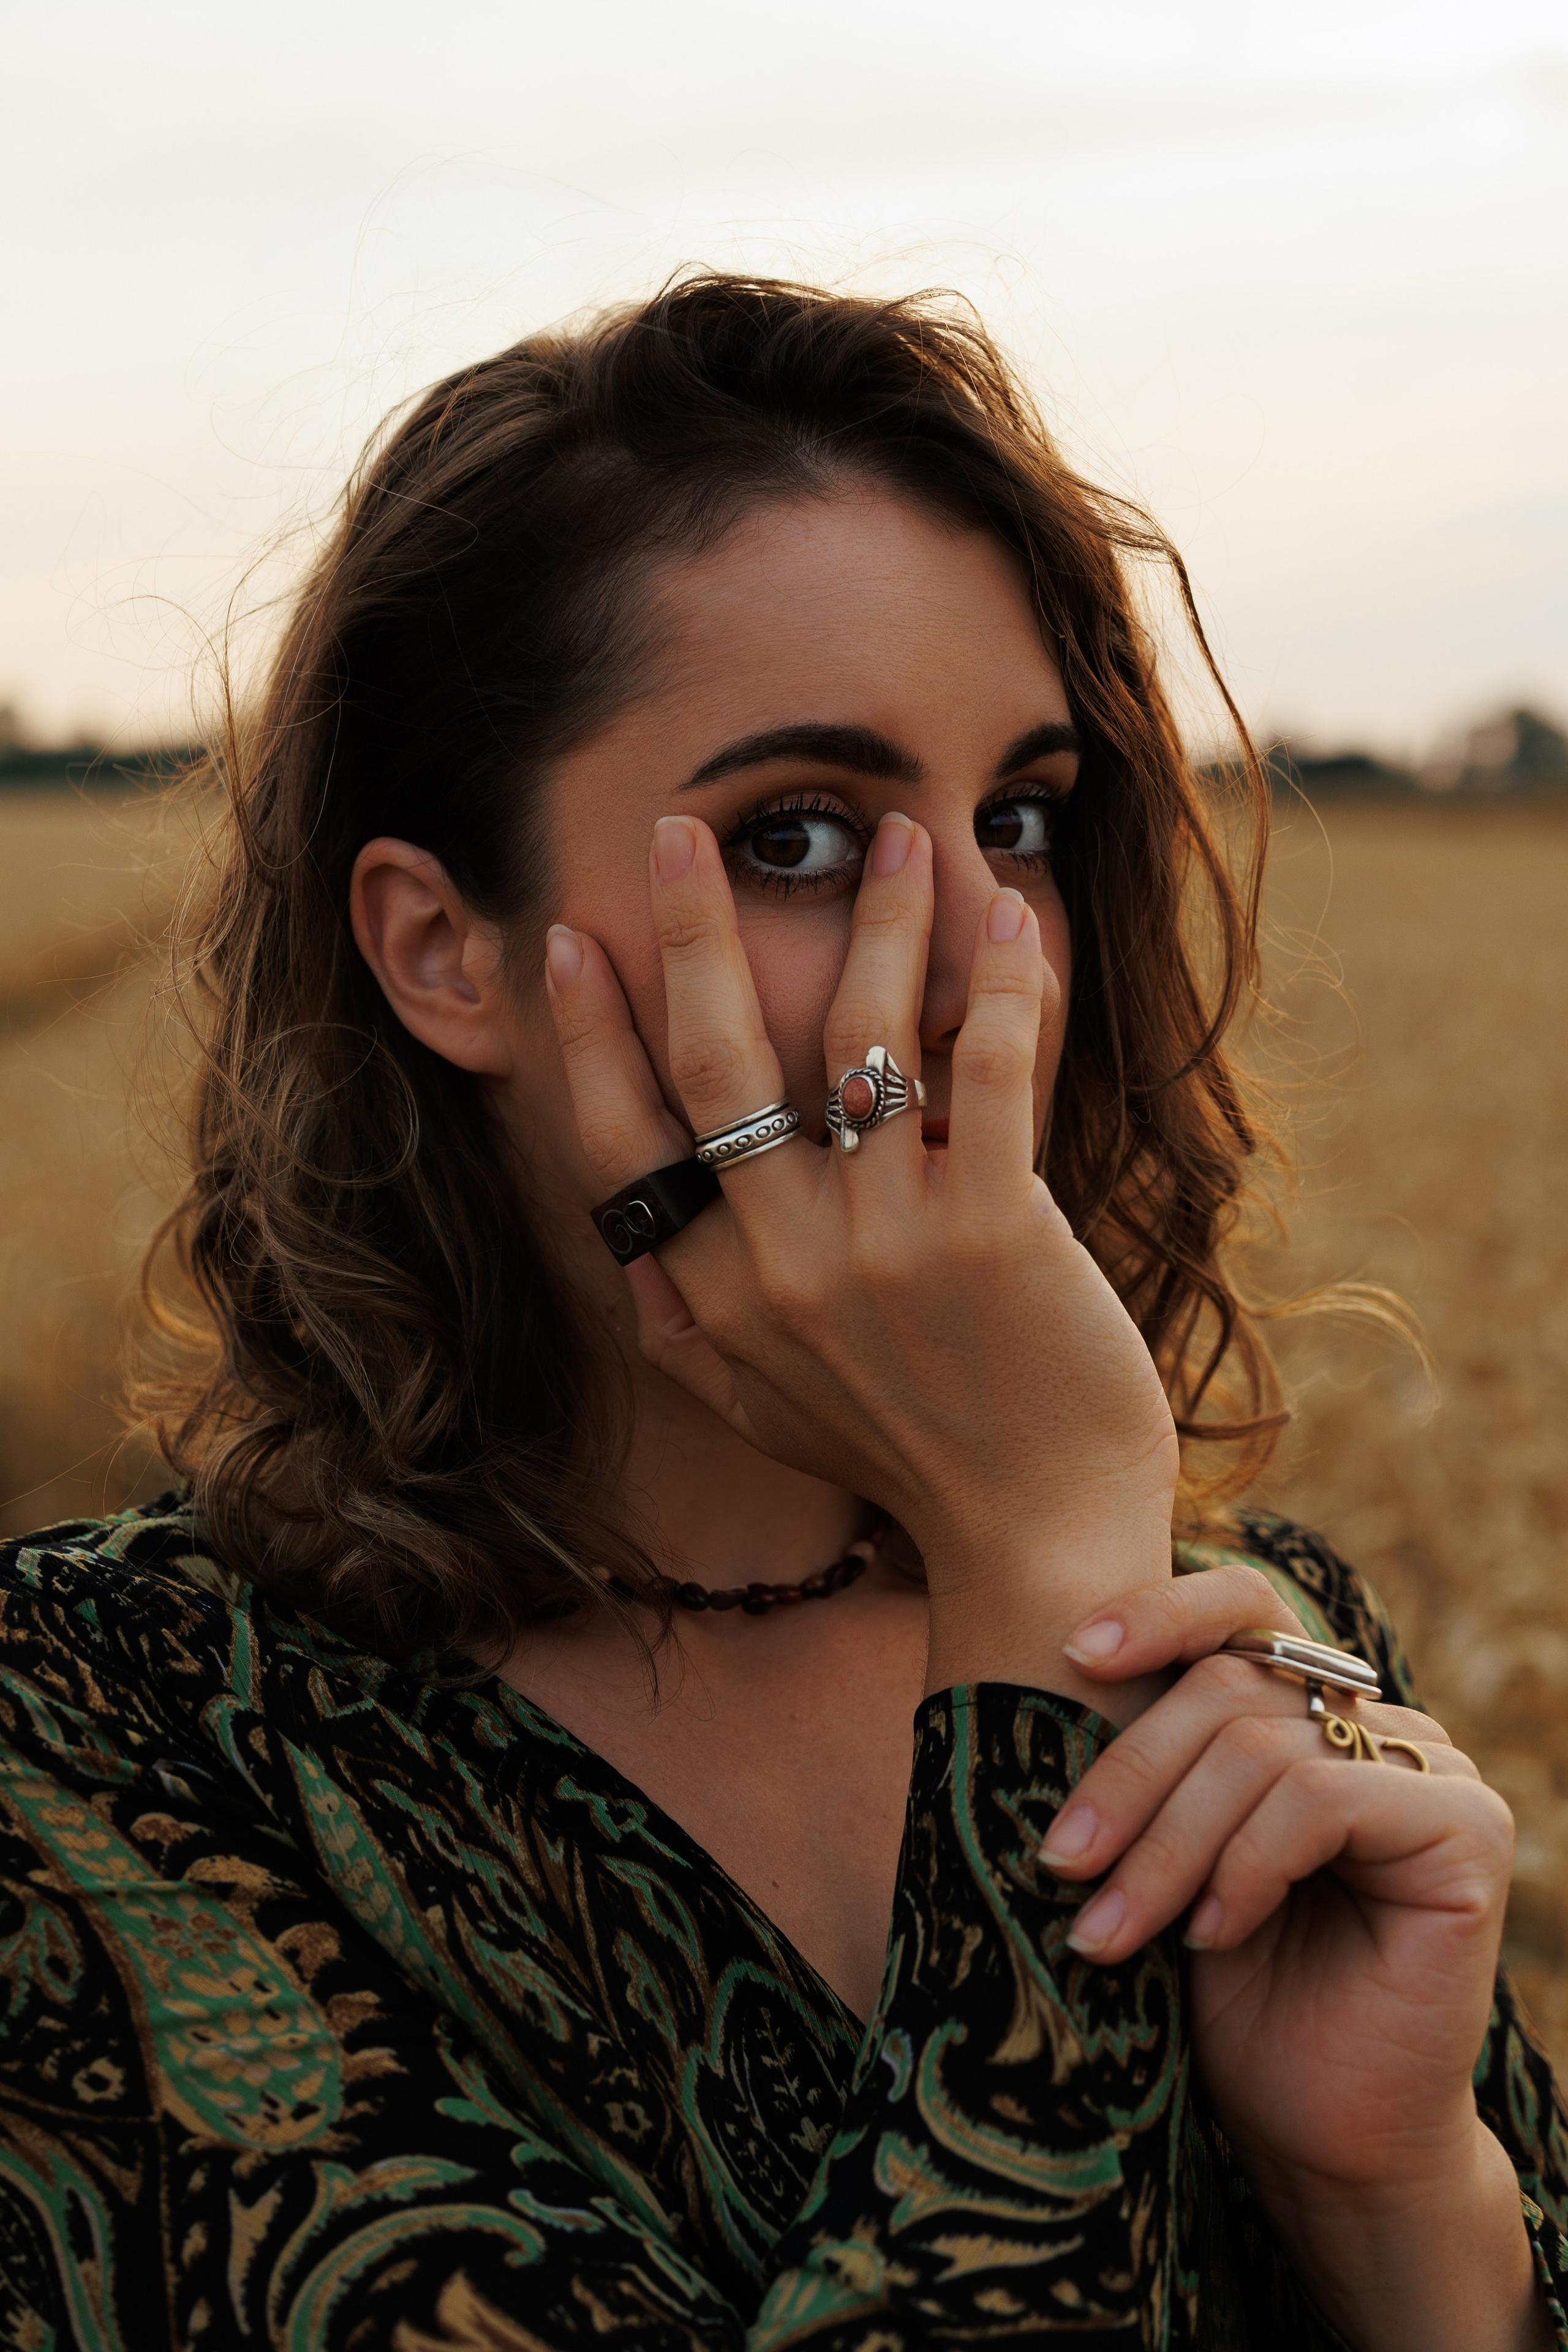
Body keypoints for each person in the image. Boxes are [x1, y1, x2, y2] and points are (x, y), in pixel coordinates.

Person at [0, 276, 1561, 2352]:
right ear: (446, 949)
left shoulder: (1248, 1654)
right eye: (802, 838)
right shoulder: (86, 1736)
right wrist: (1027, 1554)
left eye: (1016, 819)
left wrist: (1401, 2206)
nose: (972, 960)